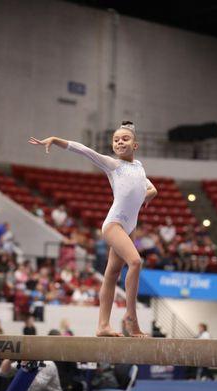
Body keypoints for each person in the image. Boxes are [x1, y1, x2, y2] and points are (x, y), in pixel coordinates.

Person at [29, 120, 158, 337]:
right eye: (116, 140)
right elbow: (84, 150)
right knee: (135, 262)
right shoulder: (113, 165)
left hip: (130, 226)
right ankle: (130, 318)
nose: (119, 142)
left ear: (135, 145)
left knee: (111, 274)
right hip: (115, 223)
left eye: (125, 139)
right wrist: (55, 140)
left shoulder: (139, 167)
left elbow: (150, 187)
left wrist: (149, 195)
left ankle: (102, 326)